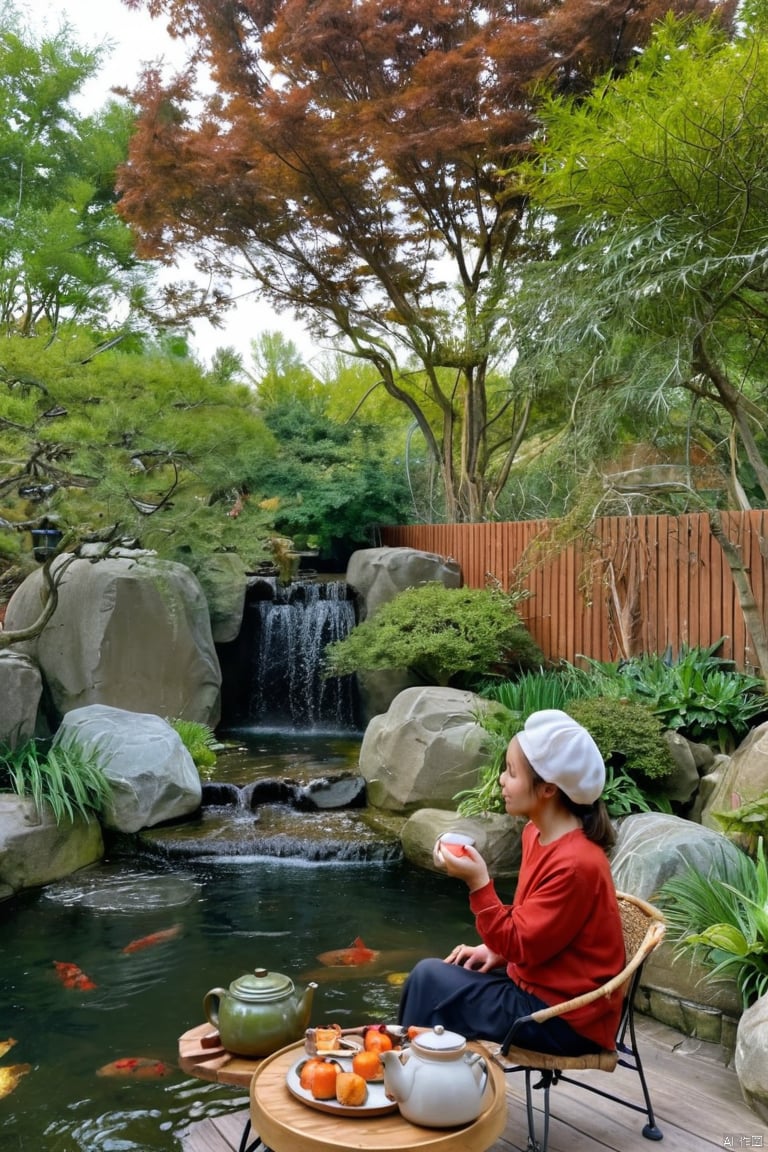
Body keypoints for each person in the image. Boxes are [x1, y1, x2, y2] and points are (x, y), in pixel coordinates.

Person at [398, 709, 625, 1055]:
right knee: (437, 977)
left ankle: (411, 1078)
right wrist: (496, 951)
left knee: (429, 980)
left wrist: (479, 882)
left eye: (511, 772)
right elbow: (534, 931)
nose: (502, 780)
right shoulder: (537, 834)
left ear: (548, 788)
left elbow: (520, 941)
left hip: (566, 1017)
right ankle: (424, 1079)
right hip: (535, 985)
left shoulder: (577, 864)